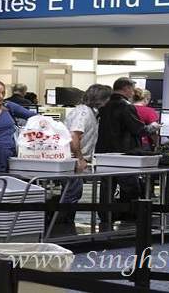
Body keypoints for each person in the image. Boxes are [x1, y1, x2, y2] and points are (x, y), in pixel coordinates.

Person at [55, 84, 112, 233]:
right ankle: (61, 226)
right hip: (72, 159)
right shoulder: (84, 113)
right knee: (72, 192)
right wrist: (80, 158)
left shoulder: (87, 112)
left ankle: (64, 224)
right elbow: (74, 136)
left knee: (72, 192)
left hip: (72, 158)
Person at [96, 78, 160, 206]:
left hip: (104, 152)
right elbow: (138, 129)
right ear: (126, 88)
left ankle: (105, 215)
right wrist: (153, 127)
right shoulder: (125, 106)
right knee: (130, 186)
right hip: (124, 153)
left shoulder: (104, 106)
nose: (133, 92)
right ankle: (128, 214)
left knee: (107, 187)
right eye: (131, 89)